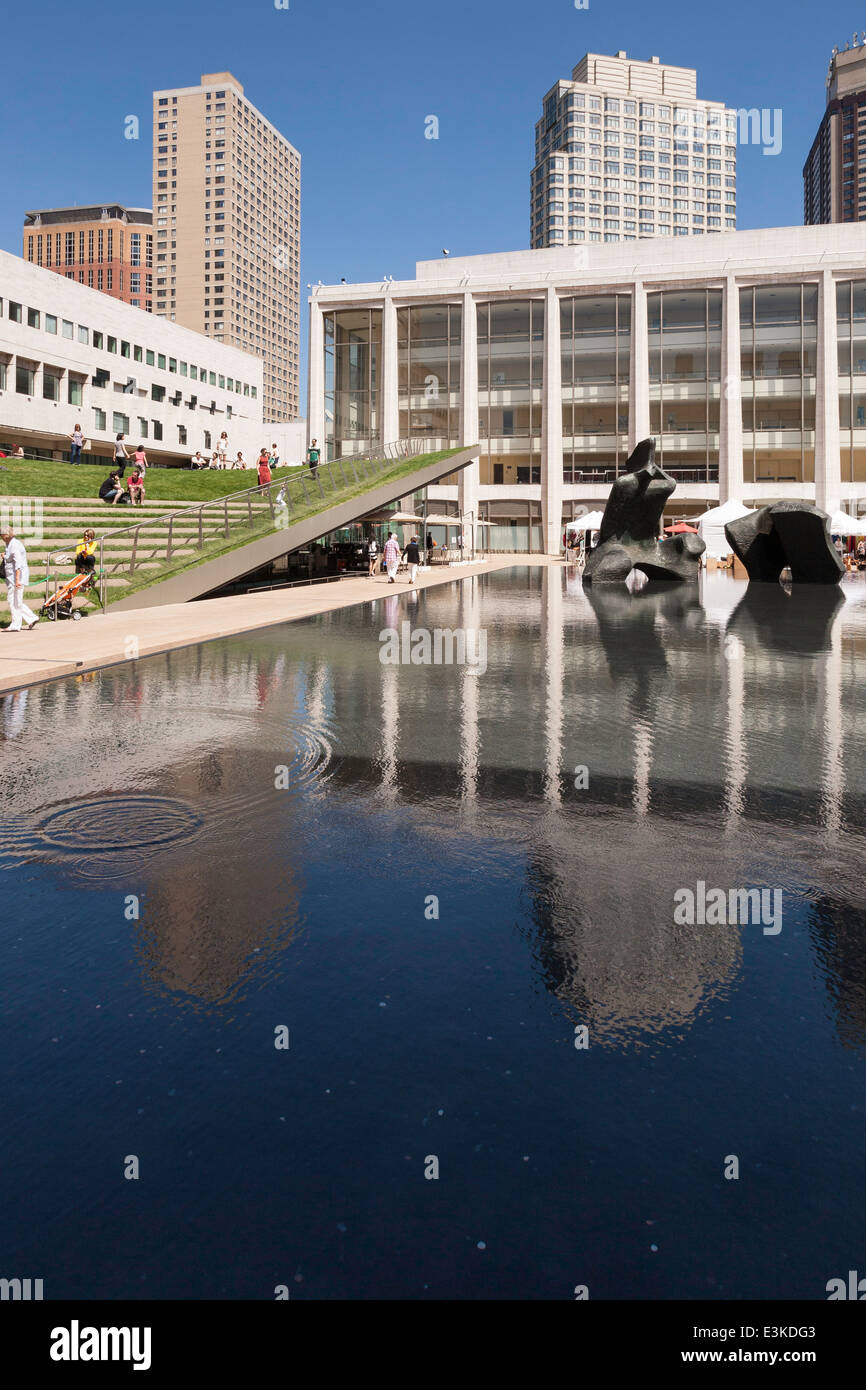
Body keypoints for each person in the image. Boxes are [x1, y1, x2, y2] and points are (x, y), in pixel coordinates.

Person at [1, 528, 38, 630]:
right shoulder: (10, 544)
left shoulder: (14, 545)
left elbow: (18, 564)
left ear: (6, 535)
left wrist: (17, 580)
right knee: (14, 600)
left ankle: (16, 625)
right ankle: (31, 618)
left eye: (1, 534)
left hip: (16, 577)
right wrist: (5, 556)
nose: (1, 536)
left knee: (15, 601)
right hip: (12, 577)